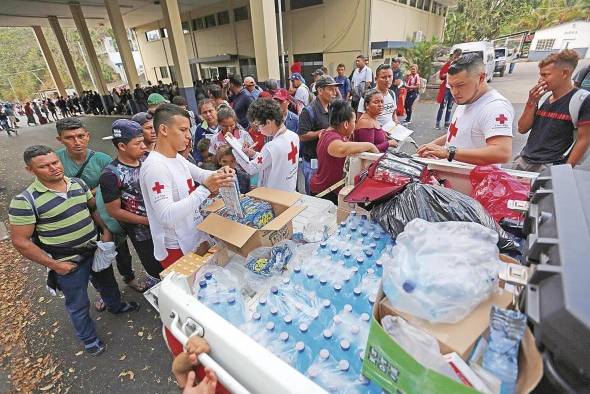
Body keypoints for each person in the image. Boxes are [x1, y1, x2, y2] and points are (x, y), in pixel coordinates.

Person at [9, 145, 139, 356]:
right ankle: (89, 340)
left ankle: (116, 306)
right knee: (78, 303)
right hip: (66, 261)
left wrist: (105, 231)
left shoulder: (78, 184)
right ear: (30, 170)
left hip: (94, 249)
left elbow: (93, 208)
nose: (53, 168)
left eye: (55, 162)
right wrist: (54, 265)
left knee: (107, 282)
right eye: (44, 166)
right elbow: (21, 242)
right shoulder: (24, 201)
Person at [138, 103, 235, 358]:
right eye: (182, 130)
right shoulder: (156, 167)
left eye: (188, 130)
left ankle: (197, 341)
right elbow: (166, 215)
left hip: (192, 237)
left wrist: (218, 174)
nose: (188, 136)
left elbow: (202, 174)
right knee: (182, 302)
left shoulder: (176, 158)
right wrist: (206, 189)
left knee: (198, 292)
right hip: (175, 247)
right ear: (163, 130)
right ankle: (181, 350)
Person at [54, 118, 147, 299]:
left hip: (107, 216)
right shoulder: (56, 161)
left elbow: (114, 183)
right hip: (78, 220)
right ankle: (102, 291)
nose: (77, 141)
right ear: (60, 140)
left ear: (88, 136)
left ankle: (129, 277)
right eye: (70, 138)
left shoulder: (101, 159)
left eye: (80, 136)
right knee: (90, 256)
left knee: (121, 250)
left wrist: (89, 192)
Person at [417, 53, 513, 166]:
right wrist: (430, 146)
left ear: (481, 78)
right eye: (451, 86)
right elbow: (458, 132)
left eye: (460, 85)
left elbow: (502, 153)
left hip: (476, 180)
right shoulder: (467, 98)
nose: (454, 92)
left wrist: (449, 152)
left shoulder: (495, 107)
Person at [99, 119, 163, 286]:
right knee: (155, 265)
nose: (144, 146)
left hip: (164, 222)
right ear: (122, 146)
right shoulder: (111, 175)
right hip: (142, 232)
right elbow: (114, 211)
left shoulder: (148, 160)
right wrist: (146, 221)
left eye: (143, 142)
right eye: (138, 143)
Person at [512, 50, 590, 172]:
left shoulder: (582, 100)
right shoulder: (547, 97)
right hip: (524, 160)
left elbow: (584, 139)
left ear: (564, 73)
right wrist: (531, 102)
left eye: (545, 75)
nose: (540, 80)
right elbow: (522, 129)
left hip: (549, 167)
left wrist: (564, 171)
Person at [310, 100, 379, 204]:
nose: (355, 125)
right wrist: (370, 146)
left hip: (328, 189)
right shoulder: (332, 139)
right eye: (354, 122)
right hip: (324, 193)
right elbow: (342, 149)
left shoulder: (330, 132)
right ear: (346, 124)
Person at [236, 99, 300, 192]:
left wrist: (235, 151)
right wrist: (254, 154)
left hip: (274, 196)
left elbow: (251, 168)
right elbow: (273, 159)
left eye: (259, 125)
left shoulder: (271, 146)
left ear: (269, 122)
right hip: (289, 190)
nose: (259, 130)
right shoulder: (293, 136)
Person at [297, 75, 340, 194]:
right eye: (331, 89)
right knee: (314, 195)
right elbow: (302, 135)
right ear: (320, 90)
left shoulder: (332, 108)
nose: (335, 92)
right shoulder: (309, 111)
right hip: (312, 162)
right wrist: (319, 133)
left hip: (328, 159)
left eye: (335, 89)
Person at [436, 48, 462, 130]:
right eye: (455, 56)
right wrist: (447, 73)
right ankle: (437, 122)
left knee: (450, 107)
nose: (456, 58)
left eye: (458, 57)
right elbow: (441, 76)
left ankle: (447, 123)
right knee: (442, 106)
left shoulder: (460, 67)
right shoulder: (447, 65)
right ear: (453, 55)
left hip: (453, 89)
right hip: (446, 88)